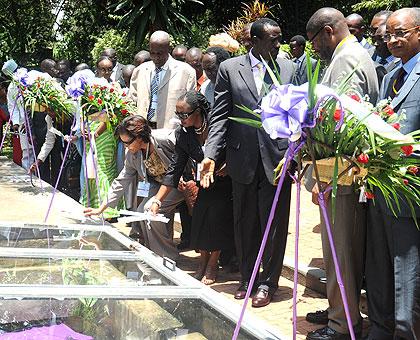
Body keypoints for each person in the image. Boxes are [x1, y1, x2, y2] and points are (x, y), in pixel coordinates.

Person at [200, 18, 296, 308]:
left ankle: (268, 282)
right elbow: (220, 115)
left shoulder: (290, 68)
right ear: (253, 41)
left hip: (277, 160)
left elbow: (297, 112)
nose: (279, 45)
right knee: (244, 221)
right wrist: (211, 154)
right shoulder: (230, 68)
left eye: (280, 38)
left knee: (274, 224)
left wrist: (297, 153)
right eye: (272, 39)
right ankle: (247, 278)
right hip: (242, 159)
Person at [305, 8, 379, 340]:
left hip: (342, 175)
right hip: (339, 173)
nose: (313, 48)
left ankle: (343, 326)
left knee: (342, 253)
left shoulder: (347, 59)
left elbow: (340, 123)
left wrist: (316, 168)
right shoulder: (349, 54)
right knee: (340, 251)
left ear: (328, 32)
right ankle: (339, 313)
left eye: (314, 41)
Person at [365, 8, 420, 340]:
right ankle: (381, 326)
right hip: (380, 188)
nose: (393, 40)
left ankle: (405, 330)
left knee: (407, 266)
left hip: (410, 191)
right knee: (380, 261)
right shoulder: (388, 75)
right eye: (389, 35)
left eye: (401, 33)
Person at [149, 91, 234, 284]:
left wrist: (228, 165)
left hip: (226, 180)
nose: (180, 119)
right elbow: (175, 167)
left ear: (199, 111)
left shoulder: (217, 124)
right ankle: (203, 261)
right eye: (178, 114)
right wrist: (157, 200)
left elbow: (236, 147)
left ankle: (213, 263)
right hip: (204, 181)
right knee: (201, 216)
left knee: (217, 214)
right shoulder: (184, 133)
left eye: (184, 114)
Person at [84, 115, 184, 259]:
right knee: (142, 211)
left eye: (128, 142)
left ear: (138, 137)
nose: (126, 146)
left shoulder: (164, 139)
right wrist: (102, 208)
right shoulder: (132, 154)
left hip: (178, 183)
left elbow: (188, 151)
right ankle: (155, 252)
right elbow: (122, 179)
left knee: (151, 209)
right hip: (158, 184)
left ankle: (166, 256)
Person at [129, 31, 196, 129]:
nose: (156, 57)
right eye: (152, 53)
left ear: (168, 49)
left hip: (171, 131)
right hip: (143, 130)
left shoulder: (186, 72)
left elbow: (191, 105)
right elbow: (131, 102)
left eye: (160, 53)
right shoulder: (140, 71)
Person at [1, 60, 34, 170]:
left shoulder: (31, 78)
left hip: (36, 120)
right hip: (21, 122)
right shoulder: (11, 87)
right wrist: (15, 123)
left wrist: (29, 120)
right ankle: (27, 172)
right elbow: (12, 106)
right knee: (26, 149)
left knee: (37, 148)